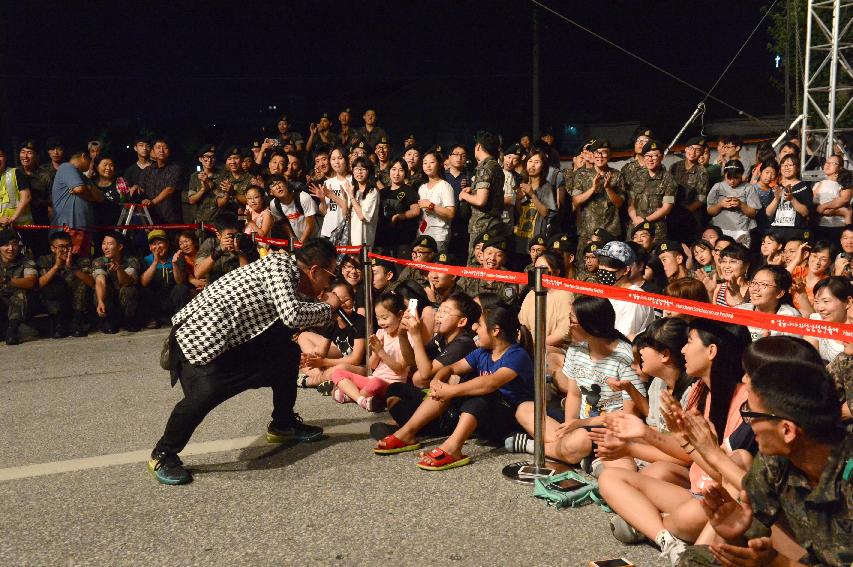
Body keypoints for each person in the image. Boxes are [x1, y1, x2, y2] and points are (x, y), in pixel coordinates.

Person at [149, 238, 340, 485]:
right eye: (330, 277)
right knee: (207, 391)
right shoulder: (281, 268)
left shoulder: (284, 268)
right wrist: (328, 307)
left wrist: (322, 308)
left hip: (226, 341)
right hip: (196, 343)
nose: (330, 283)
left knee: (286, 354)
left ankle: (283, 424)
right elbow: (292, 315)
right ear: (314, 271)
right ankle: (163, 453)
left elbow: (288, 311)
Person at [598, 320, 753, 566]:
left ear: (711, 351)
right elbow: (687, 456)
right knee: (611, 477)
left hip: (718, 500)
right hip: (696, 490)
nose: (683, 350)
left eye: (689, 342)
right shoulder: (699, 391)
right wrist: (643, 435)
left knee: (694, 509)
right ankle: (665, 539)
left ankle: (646, 521)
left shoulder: (746, 403)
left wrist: (686, 442)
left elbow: (725, 475)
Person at [679, 360, 850, 567]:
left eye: (751, 415)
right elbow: (754, 529)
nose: (750, 426)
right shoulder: (776, 459)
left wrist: (778, 563)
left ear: (787, 430)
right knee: (696, 559)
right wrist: (735, 533)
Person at [374, 304, 533, 471]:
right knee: (405, 389)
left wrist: (451, 390)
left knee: (482, 395)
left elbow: (490, 383)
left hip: (508, 419)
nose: (474, 327)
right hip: (482, 416)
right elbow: (451, 368)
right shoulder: (482, 353)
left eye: (479, 324)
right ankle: (407, 432)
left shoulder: (517, 354)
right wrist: (438, 381)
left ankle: (452, 448)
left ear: (495, 331)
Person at [510, 296, 643, 461]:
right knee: (525, 409)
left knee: (581, 440)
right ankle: (572, 451)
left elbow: (629, 414)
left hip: (607, 427)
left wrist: (581, 425)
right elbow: (574, 394)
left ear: (590, 326)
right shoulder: (576, 349)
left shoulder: (624, 356)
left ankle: (533, 447)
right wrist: (570, 426)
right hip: (580, 424)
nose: (568, 327)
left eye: (571, 322)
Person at [380, 292, 480, 438]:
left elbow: (426, 373)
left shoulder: (463, 343)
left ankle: (412, 429)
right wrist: (402, 335)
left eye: (446, 312)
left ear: (462, 322)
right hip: (436, 400)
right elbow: (412, 362)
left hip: (451, 411)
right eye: (439, 309)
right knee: (395, 389)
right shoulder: (442, 336)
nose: (438, 315)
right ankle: (409, 427)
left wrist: (416, 335)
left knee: (398, 401)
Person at [329, 290, 409, 412]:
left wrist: (381, 351)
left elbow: (400, 369)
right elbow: (372, 365)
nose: (381, 322)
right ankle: (362, 400)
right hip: (372, 379)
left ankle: (352, 395)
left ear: (400, 315)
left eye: (385, 318)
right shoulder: (381, 333)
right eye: (378, 318)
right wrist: (376, 352)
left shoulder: (407, 338)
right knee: (338, 373)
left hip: (392, 386)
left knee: (376, 383)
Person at [297, 280, 366, 391]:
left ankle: (309, 381)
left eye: (346, 300)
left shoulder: (359, 322)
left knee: (340, 368)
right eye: (338, 301)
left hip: (362, 368)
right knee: (307, 365)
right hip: (342, 361)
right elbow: (321, 353)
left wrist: (325, 362)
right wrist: (309, 358)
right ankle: (329, 380)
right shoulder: (331, 322)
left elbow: (356, 359)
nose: (342, 304)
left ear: (353, 301)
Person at [36, 231, 93, 338]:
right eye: (61, 247)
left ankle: (77, 322)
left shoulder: (80, 259)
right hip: (54, 302)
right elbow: (39, 284)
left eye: (68, 246)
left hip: (76, 301)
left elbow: (91, 282)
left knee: (81, 282)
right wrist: (56, 266)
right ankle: (58, 324)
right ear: (53, 248)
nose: (66, 250)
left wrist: (72, 268)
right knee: (53, 283)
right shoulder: (44, 260)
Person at [460, 131, 505, 261]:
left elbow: (481, 201)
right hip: (494, 224)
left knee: (476, 262)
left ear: (478, 146)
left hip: (483, 225)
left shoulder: (484, 167)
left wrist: (464, 195)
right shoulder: (496, 166)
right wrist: (473, 189)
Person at [572, 139, 626, 249]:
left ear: (610, 155)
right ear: (592, 155)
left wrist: (608, 188)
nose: (600, 156)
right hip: (587, 232)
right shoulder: (581, 174)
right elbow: (576, 201)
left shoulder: (617, 175)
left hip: (611, 231)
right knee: (586, 264)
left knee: (610, 265)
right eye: (597, 152)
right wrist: (593, 189)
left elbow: (620, 203)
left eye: (604, 152)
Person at [595, 241, 655, 338]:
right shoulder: (605, 292)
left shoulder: (635, 299)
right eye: (601, 263)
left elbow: (623, 340)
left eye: (609, 265)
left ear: (626, 270)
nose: (603, 269)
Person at [51, 151, 102, 257]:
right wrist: (85, 191)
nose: (91, 165)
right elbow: (79, 189)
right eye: (90, 161)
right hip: (70, 225)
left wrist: (86, 188)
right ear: (83, 156)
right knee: (69, 262)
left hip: (82, 227)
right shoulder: (67, 167)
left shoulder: (83, 177)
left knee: (82, 264)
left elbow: (100, 198)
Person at [628, 139, 677, 244]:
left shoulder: (669, 179)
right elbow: (630, 202)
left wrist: (645, 221)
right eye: (647, 156)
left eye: (654, 156)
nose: (650, 159)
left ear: (662, 157)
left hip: (656, 231)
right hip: (635, 228)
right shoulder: (636, 177)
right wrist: (635, 219)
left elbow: (666, 208)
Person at [91, 231, 140, 333]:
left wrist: (119, 269)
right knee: (99, 289)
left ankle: (129, 320)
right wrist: (100, 301)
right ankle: (107, 320)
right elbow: (100, 282)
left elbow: (127, 283)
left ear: (120, 247)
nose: (105, 247)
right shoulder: (99, 261)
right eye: (104, 243)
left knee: (130, 289)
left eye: (110, 244)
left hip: (125, 301)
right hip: (110, 300)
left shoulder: (131, 260)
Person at [139, 229, 190, 328]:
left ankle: (179, 318)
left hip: (171, 299)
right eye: (154, 244)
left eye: (160, 243)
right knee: (143, 290)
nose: (157, 247)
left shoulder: (176, 257)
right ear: (150, 247)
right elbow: (143, 283)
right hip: (156, 301)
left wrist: (174, 264)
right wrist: (155, 262)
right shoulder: (145, 260)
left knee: (182, 288)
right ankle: (152, 319)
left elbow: (180, 281)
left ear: (167, 244)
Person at [736, 265, 800, 341]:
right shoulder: (739, 311)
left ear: (779, 293)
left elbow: (793, 350)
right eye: (754, 282)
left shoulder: (790, 318)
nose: (755, 288)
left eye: (764, 284)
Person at [707, 160, 760, 247]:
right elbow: (710, 211)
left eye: (736, 178)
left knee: (740, 255)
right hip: (720, 229)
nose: (732, 181)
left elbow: (753, 214)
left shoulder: (748, 188)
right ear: (724, 175)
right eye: (729, 178)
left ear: (741, 175)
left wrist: (741, 205)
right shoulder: (718, 187)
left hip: (741, 230)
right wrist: (720, 205)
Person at [513, 149, 557, 253]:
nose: (532, 165)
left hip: (536, 242)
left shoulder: (546, 187)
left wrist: (532, 194)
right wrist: (518, 200)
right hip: (519, 239)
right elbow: (518, 213)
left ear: (543, 167)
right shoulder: (520, 185)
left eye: (537, 162)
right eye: (530, 161)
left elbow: (545, 213)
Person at [669, 136, 710, 244]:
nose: (693, 152)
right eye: (691, 148)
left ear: (701, 153)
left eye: (698, 150)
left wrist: (684, 212)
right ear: (686, 149)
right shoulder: (674, 167)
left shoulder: (702, 171)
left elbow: (701, 199)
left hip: (691, 217)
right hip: (672, 213)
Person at [375, 158, 419, 257]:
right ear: (389, 171)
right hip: (383, 238)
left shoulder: (409, 191)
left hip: (403, 240)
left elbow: (416, 211)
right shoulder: (383, 192)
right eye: (394, 169)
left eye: (401, 170)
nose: (397, 173)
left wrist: (399, 216)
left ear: (405, 173)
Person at [195, 214, 256, 284]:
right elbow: (198, 274)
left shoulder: (245, 243)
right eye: (230, 236)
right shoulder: (210, 244)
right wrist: (218, 251)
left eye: (236, 234)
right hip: (215, 290)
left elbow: (248, 279)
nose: (234, 239)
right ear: (218, 235)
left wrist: (240, 253)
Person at [0, 228, 37, 344]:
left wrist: (6, 280)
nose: (11, 249)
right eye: (6, 245)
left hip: (21, 304)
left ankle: (13, 330)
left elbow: (30, 282)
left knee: (19, 292)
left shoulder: (25, 260)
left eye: (14, 245)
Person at [415, 148, 455, 251]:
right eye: (425, 163)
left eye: (432, 162)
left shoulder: (445, 186)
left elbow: (450, 213)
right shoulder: (422, 188)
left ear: (440, 164)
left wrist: (430, 205)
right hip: (422, 234)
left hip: (439, 236)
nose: (428, 165)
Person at [807, 276, 853, 364]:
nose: (820, 308)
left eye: (826, 301)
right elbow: (808, 360)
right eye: (816, 301)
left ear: (848, 302)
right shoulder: (817, 320)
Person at [312, 146, 351, 246]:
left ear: (346, 159)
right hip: (327, 231)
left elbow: (351, 210)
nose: (336, 162)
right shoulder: (327, 182)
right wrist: (322, 200)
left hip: (344, 233)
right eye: (333, 159)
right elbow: (325, 212)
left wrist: (332, 195)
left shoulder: (352, 181)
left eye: (340, 158)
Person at [137, 137, 182, 224]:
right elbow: (141, 189)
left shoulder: (176, 168)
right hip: (150, 218)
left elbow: (170, 189)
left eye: (165, 147)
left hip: (170, 218)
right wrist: (142, 199)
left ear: (169, 150)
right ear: (152, 151)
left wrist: (152, 202)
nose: (161, 150)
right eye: (158, 147)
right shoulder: (147, 171)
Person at [812, 154, 852, 243]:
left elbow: (844, 199)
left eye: (832, 163)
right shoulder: (818, 184)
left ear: (840, 167)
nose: (827, 165)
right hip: (819, 226)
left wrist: (823, 207)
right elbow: (812, 204)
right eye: (826, 162)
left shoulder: (844, 183)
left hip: (837, 226)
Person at [344, 156, 379, 247]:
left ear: (369, 171)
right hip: (351, 239)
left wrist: (351, 196)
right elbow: (346, 213)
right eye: (356, 169)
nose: (359, 172)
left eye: (363, 169)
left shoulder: (372, 192)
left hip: (365, 241)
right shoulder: (353, 190)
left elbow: (363, 216)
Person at [0, 147, 33, 231]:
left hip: (21, 228)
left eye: (0, 156)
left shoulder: (15, 173)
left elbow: (27, 197)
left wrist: (12, 219)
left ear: (5, 158)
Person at [214, 146, 253, 217]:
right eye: (229, 159)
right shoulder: (222, 179)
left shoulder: (250, 178)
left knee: (241, 226)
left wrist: (233, 193)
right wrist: (227, 194)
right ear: (226, 161)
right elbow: (220, 204)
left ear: (241, 160)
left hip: (243, 217)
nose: (233, 162)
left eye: (236, 158)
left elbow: (251, 202)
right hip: (225, 217)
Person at [187, 144, 220, 224]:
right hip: (201, 220)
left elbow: (222, 198)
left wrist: (208, 182)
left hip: (218, 219)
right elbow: (191, 200)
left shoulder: (222, 174)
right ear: (200, 159)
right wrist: (203, 189)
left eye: (212, 157)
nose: (209, 160)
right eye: (206, 157)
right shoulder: (195, 176)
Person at [712, 242, 750, 307]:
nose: (726, 266)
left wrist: (737, 296)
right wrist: (709, 292)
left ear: (746, 265)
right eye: (724, 261)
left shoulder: (754, 290)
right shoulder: (718, 289)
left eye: (733, 261)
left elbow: (750, 316)